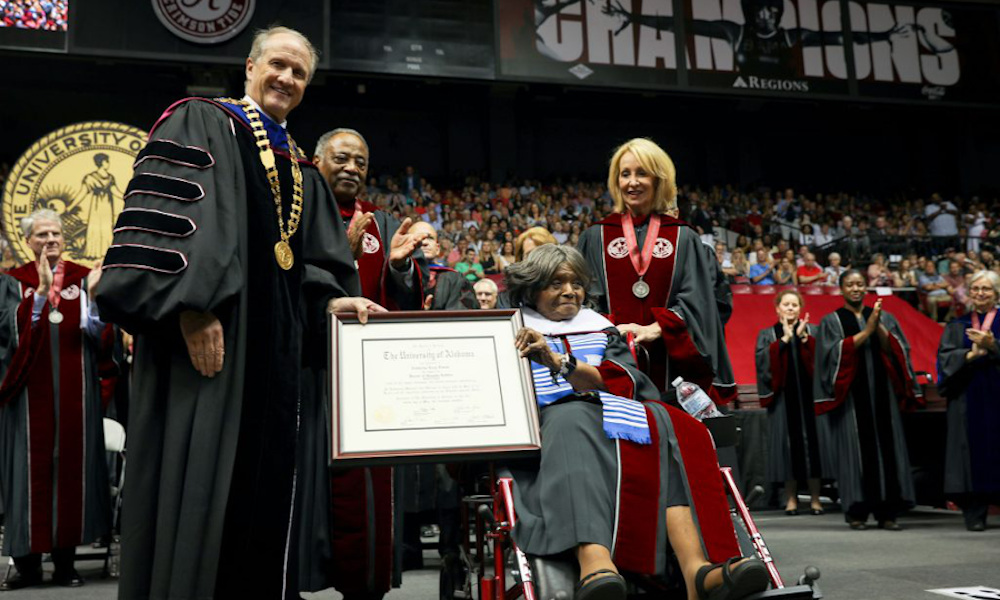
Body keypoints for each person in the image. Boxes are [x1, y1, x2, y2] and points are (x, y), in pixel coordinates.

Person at [95, 26, 376, 599]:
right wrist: (191, 310)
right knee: (201, 494)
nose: (287, 79)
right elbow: (162, 233)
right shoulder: (201, 122)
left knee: (264, 504)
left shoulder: (300, 168)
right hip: (209, 351)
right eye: (278, 64)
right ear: (249, 67)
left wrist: (331, 300)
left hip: (273, 362)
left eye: (299, 73)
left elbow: (305, 265)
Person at [506, 245, 767, 600]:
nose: (570, 291)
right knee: (571, 419)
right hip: (551, 428)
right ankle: (594, 561)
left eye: (576, 283)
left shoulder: (599, 328)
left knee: (674, 423)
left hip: (610, 415)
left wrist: (560, 363)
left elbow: (626, 380)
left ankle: (698, 570)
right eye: (556, 283)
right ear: (532, 289)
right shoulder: (511, 330)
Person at [299, 127, 428, 599]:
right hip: (309, 371)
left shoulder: (384, 224)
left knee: (369, 488)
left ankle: (365, 583)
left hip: (370, 380)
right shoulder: (296, 215)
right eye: (342, 158)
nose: (352, 168)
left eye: (361, 162)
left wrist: (396, 267)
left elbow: (406, 302)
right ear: (316, 161)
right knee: (305, 479)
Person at [0, 210, 111, 589]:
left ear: (66, 238)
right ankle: (27, 567)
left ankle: (66, 564)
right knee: (27, 476)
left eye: (56, 233)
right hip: (28, 399)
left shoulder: (84, 279)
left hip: (76, 396)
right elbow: (8, 338)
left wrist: (94, 299)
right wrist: (39, 298)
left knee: (72, 472)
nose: (50, 239)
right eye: (42, 234)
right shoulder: (13, 283)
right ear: (27, 241)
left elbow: (101, 338)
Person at [578, 138, 735, 403]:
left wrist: (658, 327)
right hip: (611, 359)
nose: (632, 182)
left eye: (642, 173)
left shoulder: (684, 238)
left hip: (672, 368)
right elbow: (584, 300)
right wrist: (613, 332)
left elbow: (699, 301)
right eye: (624, 174)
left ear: (659, 179)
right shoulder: (596, 236)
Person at [814, 270, 923, 531]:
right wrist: (867, 331)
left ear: (866, 288)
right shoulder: (831, 321)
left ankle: (889, 512)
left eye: (860, 284)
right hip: (852, 399)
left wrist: (878, 326)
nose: (855, 288)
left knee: (888, 451)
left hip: (882, 394)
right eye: (850, 284)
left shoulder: (885, 317)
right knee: (855, 454)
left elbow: (896, 351)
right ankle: (857, 513)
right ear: (841, 289)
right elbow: (830, 357)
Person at [936, 270, 1000, 532]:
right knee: (969, 454)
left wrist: (994, 345)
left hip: (997, 395)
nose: (981, 293)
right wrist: (968, 356)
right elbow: (943, 359)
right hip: (967, 396)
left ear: (996, 294)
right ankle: (975, 513)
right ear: (970, 293)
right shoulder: (958, 324)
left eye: (986, 289)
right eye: (976, 289)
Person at [755, 291, 824, 517]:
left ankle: (815, 499)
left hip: (809, 399)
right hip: (783, 400)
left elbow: (824, 362)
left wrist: (805, 340)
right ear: (778, 308)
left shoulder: (812, 331)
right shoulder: (768, 335)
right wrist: (783, 340)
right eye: (786, 304)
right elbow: (762, 362)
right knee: (788, 448)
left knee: (812, 447)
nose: (791, 308)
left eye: (795, 304)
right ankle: (791, 498)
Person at [410, 221, 477, 310]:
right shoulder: (396, 278)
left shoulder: (455, 279)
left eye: (430, 238)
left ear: (437, 249)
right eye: (417, 238)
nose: (424, 243)